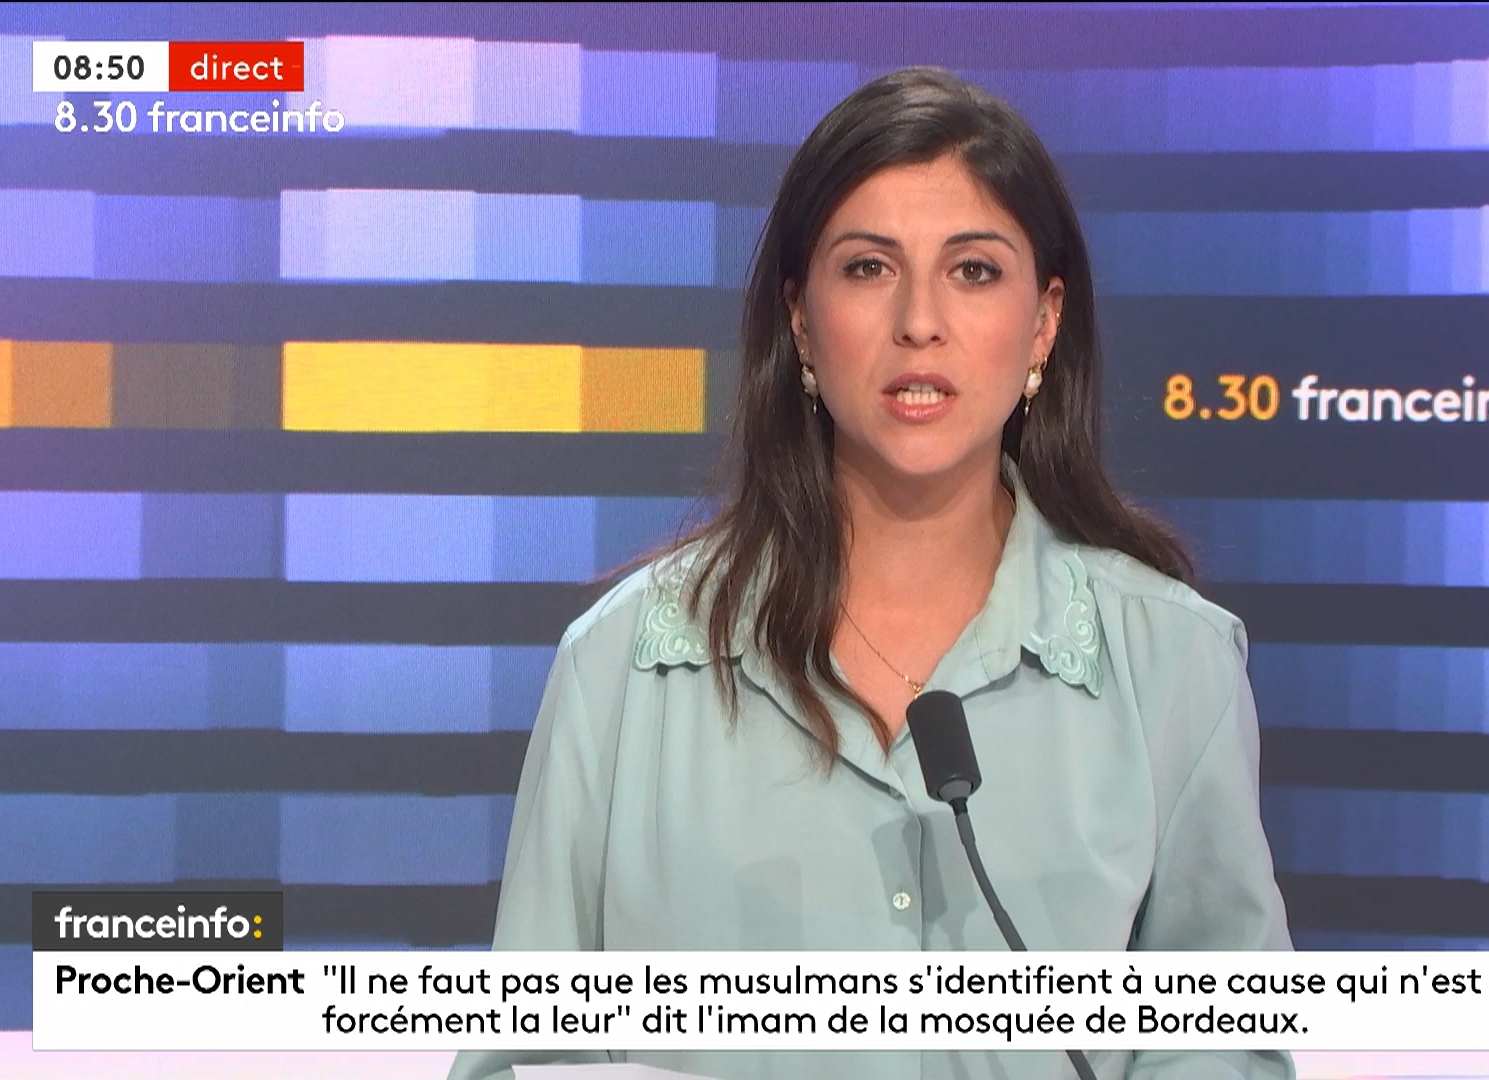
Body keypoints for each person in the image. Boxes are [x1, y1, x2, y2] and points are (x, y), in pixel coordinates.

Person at [448, 67, 1293, 1080]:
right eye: (867, 268)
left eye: (973, 270)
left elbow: (1227, 1047)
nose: (919, 321)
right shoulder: (623, 668)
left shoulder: (1173, 662)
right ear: (801, 320)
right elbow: (519, 1056)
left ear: (1043, 321)